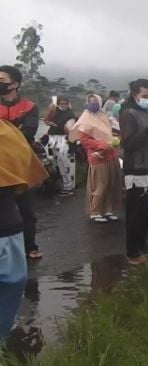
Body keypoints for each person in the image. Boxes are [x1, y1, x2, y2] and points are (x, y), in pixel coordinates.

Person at [0, 118, 47, 340]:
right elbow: (28, 181)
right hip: (8, 226)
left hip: (8, 228)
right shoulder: (10, 134)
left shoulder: (9, 133)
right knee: (10, 286)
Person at [119, 79, 148, 265]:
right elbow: (128, 144)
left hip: (147, 168)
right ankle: (133, 253)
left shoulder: (145, 112)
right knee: (135, 214)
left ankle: (142, 247)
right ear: (134, 94)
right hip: (135, 170)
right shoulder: (128, 113)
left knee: (144, 211)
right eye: (145, 96)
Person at [0, 65, 42, 260]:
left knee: (25, 208)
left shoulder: (29, 106)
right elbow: (21, 131)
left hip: (22, 162)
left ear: (15, 84)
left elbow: (29, 133)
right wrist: (16, 129)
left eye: (2, 80)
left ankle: (30, 246)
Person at [69, 94, 122, 223]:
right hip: (97, 156)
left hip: (111, 154)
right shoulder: (85, 119)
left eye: (95, 101)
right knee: (100, 184)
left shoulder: (104, 117)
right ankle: (95, 210)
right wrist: (102, 145)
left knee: (111, 183)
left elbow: (114, 131)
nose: (93, 104)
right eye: (90, 101)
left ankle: (108, 210)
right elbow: (84, 139)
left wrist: (115, 141)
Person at [43, 96, 77, 196]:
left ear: (68, 104)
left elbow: (70, 129)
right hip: (53, 138)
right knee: (54, 163)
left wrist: (57, 126)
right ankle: (59, 184)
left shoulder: (70, 115)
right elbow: (46, 121)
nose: (63, 106)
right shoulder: (55, 112)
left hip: (63, 139)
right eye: (61, 104)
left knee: (64, 163)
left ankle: (68, 187)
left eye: (65, 104)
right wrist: (50, 110)